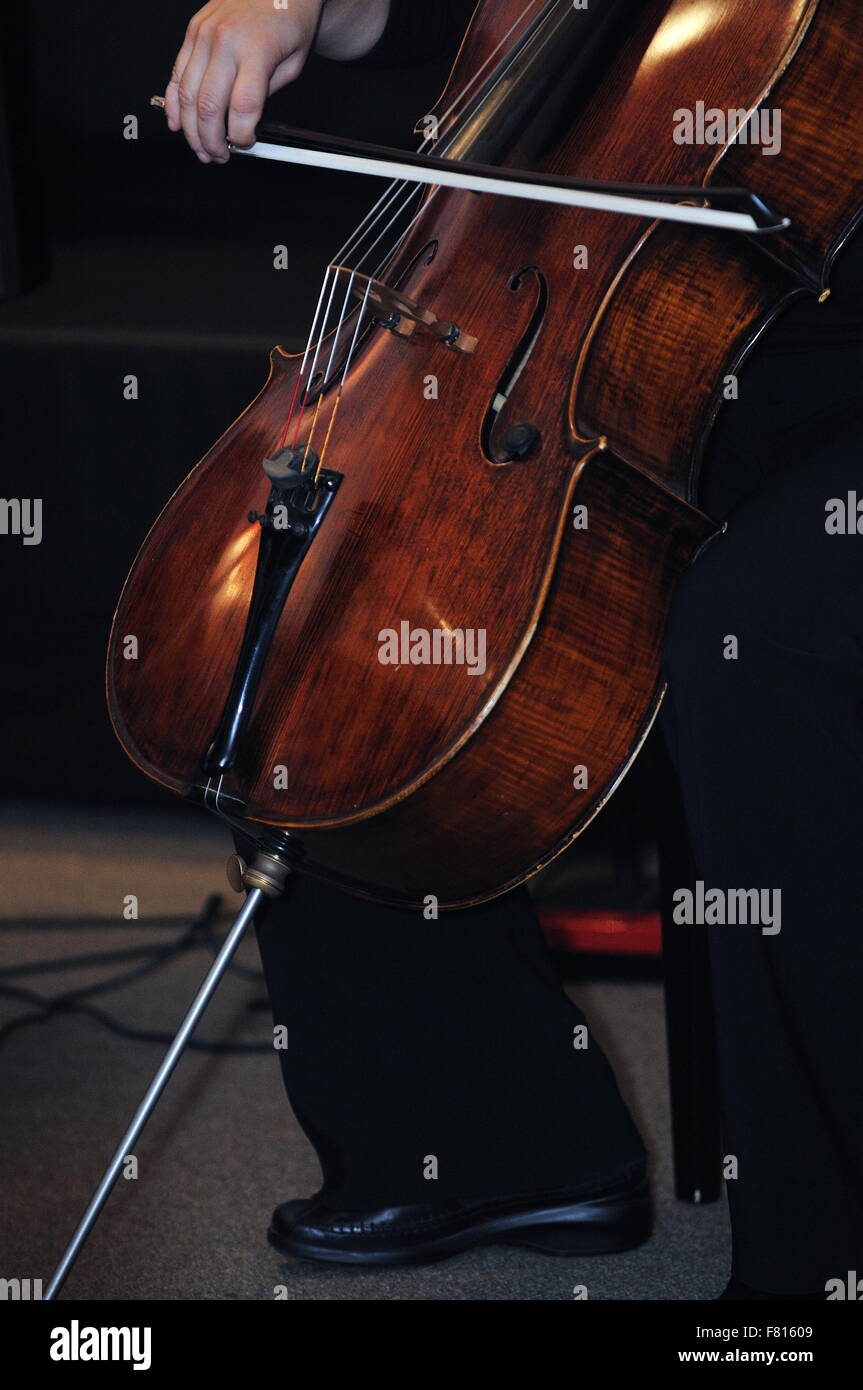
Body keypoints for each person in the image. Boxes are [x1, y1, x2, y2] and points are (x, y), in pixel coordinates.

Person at [164, 0, 863, 1298]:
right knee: (358, 559)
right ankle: (483, 1133)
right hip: (613, 320)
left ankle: (819, 1263)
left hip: (819, 345)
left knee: (750, 635)